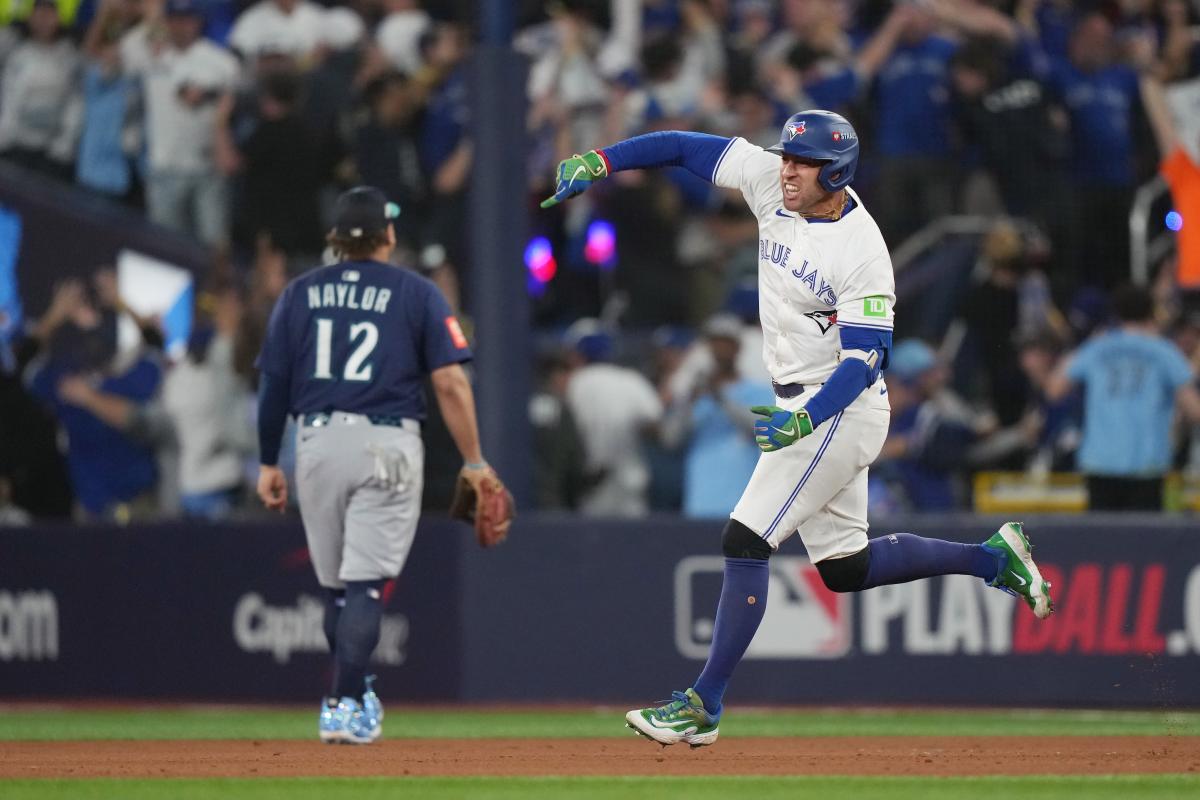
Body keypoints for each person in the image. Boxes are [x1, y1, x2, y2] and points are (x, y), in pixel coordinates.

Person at [542, 109, 1054, 747]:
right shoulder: (768, 182)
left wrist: (805, 418)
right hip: (805, 403)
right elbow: (677, 145)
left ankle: (705, 703)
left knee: (745, 540)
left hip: (836, 407)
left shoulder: (861, 248)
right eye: (787, 155)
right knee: (846, 567)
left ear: (835, 171)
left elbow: (865, 361)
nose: (787, 168)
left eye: (803, 161)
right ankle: (991, 558)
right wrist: (600, 160)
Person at [255, 186, 504, 744]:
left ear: (337, 239)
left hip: (315, 441)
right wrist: (474, 461)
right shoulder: (415, 292)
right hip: (387, 443)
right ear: (388, 235)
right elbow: (449, 382)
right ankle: (342, 705)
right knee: (365, 588)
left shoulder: (299, 293)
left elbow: (273, 384)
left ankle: (351, 697)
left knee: (337, 592)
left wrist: (270, 461)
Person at [1046, 285, 1200, 510]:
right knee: (1143, 541)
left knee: (1104, 540)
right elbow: (1195, 410)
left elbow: (1054, 389)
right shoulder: (1164, 351)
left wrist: (1085, 345)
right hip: (1146, 465)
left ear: (1115, 314)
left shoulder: (1098, 347)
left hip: (1101, 462)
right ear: (1151, 312)